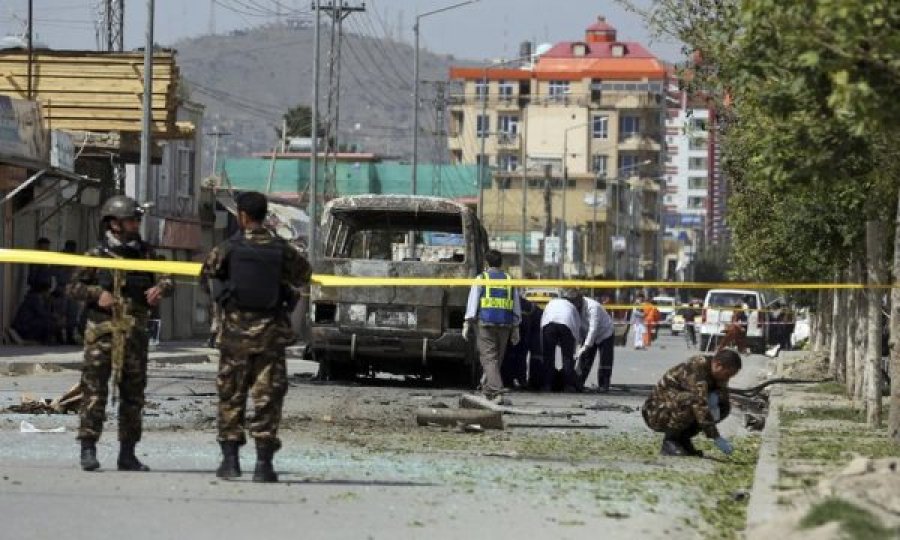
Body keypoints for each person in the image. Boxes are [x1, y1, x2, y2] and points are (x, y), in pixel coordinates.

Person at [201, 191, 311, 482]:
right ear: (264, 216)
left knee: (231, 397)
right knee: (267, 399)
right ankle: (264, 465)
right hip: (270, 338)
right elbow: (303, 275)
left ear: (242, 216)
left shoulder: (227, 248)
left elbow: (206, 279)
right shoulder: (283, 250)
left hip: (235, 338)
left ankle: (230, 462)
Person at [67, 195, 172, 472]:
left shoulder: (147, 254)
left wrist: (162, 288)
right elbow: (72, 287)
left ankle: (128, 453)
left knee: (133, 395)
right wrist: (95, 293)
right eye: (130, 219)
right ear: (113, 223)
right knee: (94, 391)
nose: (136, 224)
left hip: (135, 336)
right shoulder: (96, 256)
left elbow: (168, 278)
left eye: (137, 219)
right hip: (101, 335)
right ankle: (88, 448)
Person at [642, 349, 742, 457]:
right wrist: (715, 436)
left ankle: (683, 439)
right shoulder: (696, 368)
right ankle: (670, 440)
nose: (727, 379)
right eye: (727, 374)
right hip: (657, 411)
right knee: (691, 401)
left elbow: (722, 397)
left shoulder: (718, 375)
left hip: (676, 408)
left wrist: (717, 402)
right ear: (718, 365)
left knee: (724, 406)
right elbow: (699, 403)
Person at [463, 249, 522, 401]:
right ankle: (488, 389)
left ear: (486, 263)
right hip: (505, 324)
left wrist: (467, 323)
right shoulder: (509, 279)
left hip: (486, 323)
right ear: (501, 263)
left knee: (489, 358)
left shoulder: (482, 278)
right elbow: (516, 305)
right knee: (497, 358)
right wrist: (516, 328)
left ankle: (496, 389)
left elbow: (473, 302)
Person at [539, 290, 583, 392]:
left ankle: (547, 385)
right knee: (567, 357)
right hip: (566, 325)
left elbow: (543, 320)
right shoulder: (572, 307)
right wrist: (575, 346)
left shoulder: (551, 302)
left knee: (548, 356)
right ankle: (568, 386)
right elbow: (576, 328)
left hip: (548, 324)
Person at [576, 293, 616, 392]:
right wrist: (579, 347)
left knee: (605, 360)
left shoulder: (593, 307)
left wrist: (585, 346)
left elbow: (593, 328)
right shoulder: (573, 306)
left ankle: (604, 385)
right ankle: (578, 383)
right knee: (585, 359)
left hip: (604, 333)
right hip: (587, 333)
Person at [501, 296, 535, 390]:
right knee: (521, 356)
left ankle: (508, 381)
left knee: (509, 356)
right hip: (522, 330)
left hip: (511, 329)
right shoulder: (528, 304)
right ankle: (521, 380)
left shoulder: (509, 301)